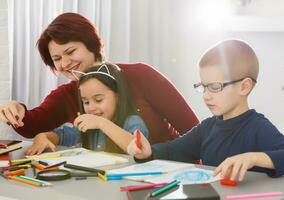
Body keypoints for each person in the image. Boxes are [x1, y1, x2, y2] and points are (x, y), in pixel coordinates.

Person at [0, 13, 198, 144]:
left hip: (166, 173)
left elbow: (194, 131)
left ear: (92, 45)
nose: (65, 63)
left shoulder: (141, 75)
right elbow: (32, 125)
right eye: (57, 59)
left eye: (70, 51)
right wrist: (15, 108)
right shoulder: (66, 95)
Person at [127, 39, 284, 181]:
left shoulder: (258, 127)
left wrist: (252, 157)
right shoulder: (207, 128)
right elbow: (174, 150)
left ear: (244, 87)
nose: (207, 96)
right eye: (204, 87)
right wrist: (148, 152)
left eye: (215, 87)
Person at [26, 63, 149, 155]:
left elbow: (139, 149)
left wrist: (101, 123)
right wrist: (43, 137)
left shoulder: (132, 122)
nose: (91, 108)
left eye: (98, 100)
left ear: (118, 96)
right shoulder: (88, 127)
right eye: (86, 102)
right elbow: (61, 136)